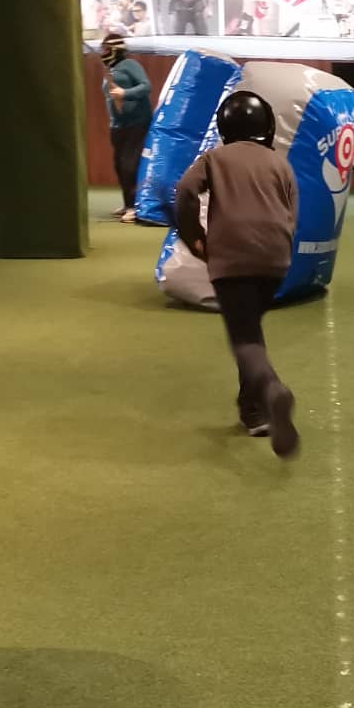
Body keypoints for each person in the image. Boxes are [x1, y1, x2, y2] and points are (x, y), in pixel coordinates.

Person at [174, 91, 299, 457]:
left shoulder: (214, 158)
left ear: (225, 127)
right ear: (268, 127)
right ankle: (253, 412)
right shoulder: (280, 164)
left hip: (232, 259)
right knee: (251, 330)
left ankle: (271, 391)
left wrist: (194, 237)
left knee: (244, 340)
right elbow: (291, 212)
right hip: (275, 260)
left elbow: (184, 191)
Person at [100, 31, 153, 221]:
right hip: (118, 126)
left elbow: (146, 86)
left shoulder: (130, 65)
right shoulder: (110, 70)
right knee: (119, 166)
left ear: (115, 50)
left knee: (130, 165)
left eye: (106, 49)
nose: (103, 52)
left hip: (137, 124)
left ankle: (134, 207)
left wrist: (125, 93)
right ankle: (127, 204)